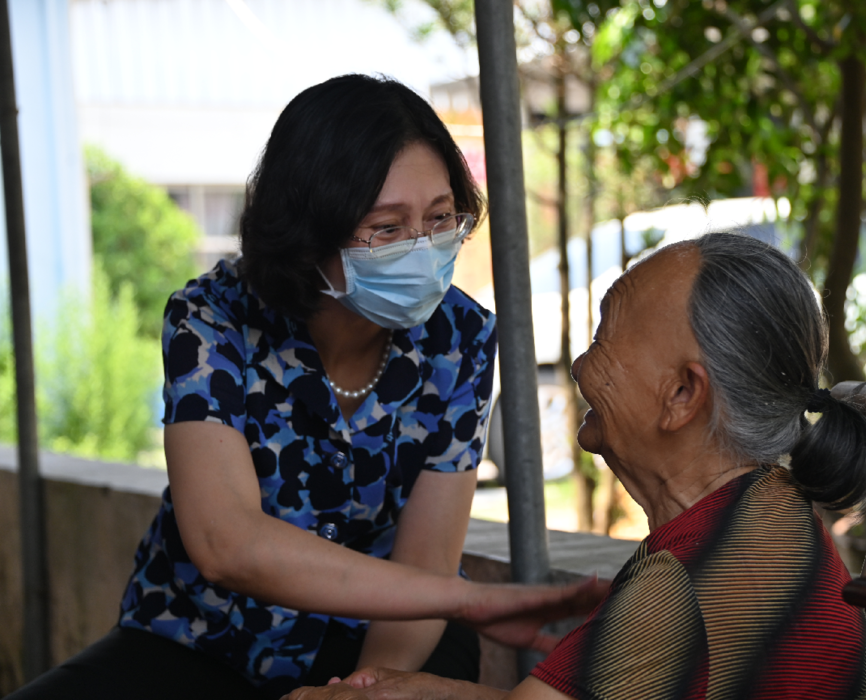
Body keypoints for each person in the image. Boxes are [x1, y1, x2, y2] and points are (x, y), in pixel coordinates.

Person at [7, 74, 607, 700]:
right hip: (204, 637)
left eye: (439, 219)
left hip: (392, 626)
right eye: (386, 228)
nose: (424, 251)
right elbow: (225, 543)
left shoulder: (461, 337)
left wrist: (361, 688)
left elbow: (425, 558)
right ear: (308, 227)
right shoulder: (212, 320)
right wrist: (470, 598)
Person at [283, 233, 866, 700]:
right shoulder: (769, 512)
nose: (578, 364)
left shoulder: (688, 579)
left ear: (682, 395)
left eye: (606, 336)